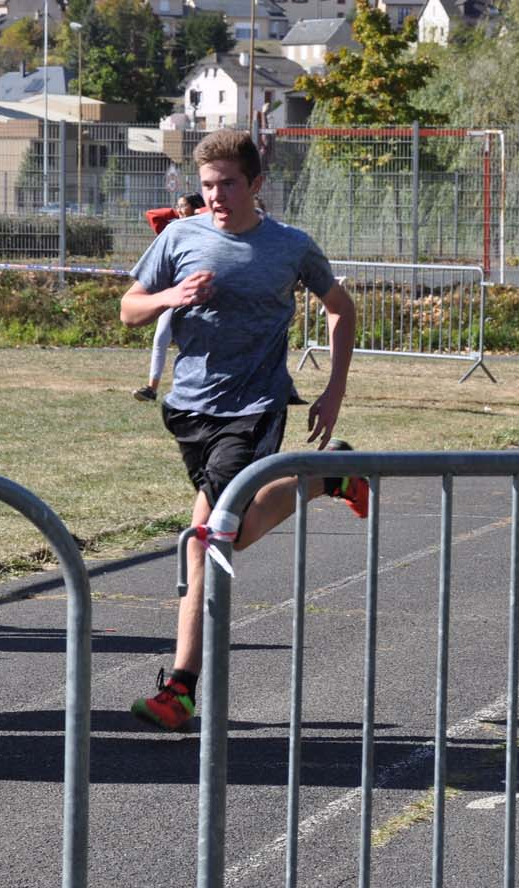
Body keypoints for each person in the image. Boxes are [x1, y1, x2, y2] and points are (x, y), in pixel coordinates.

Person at [119, 129, 366, 731]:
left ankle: (180, 687)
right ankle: (327, 476)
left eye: (228, 183)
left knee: (211, 538)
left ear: (256, 184)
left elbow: (341, 307)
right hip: (189, 409)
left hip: (255, 406)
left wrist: (333, 388)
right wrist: (171, 296)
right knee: (209, 540)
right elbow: (129, 308)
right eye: (207, 185)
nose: (217, 195)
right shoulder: (180, 237)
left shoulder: (289, 247)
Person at [132, 192, 203, 403]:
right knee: (160, 338)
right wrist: (179, 212)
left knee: (198, 342)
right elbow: (152, 215)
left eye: (184, 206)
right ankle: (151, 388)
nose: (179, 209)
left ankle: (197, 387)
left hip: (198, 294)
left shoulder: (208, 229)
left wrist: (197, 212)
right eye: (178, 206)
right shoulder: (173, 231)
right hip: (173, 294)